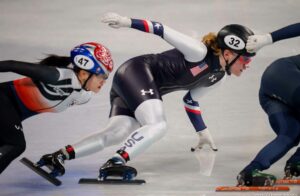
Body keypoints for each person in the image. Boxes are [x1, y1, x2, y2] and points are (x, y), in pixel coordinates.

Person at [39, 12, 255, 180]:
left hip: (135, 85)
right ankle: (116, 161)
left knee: (115, 133)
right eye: (245, 59)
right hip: (137, 72)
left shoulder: (218, 77)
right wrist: (126, 21)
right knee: (158, 124)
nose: (248, 65)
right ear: (228, 53)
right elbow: (161, 29)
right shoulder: (198, 52)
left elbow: (190, 100)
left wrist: (203, 133)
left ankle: (59, 156)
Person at [0, 42, 113, 175]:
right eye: (101, 75)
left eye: (106, 76)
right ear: (83, 74)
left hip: (12, 113)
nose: (104, 81)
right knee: (16, 145)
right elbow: (11, 64)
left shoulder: (83, 96)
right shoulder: (56, 76)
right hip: (3, 99)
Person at [237, 23, 300, 186]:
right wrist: (268, 38)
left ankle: (250, 173)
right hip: (286, 74)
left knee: (291, 133)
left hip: (271, 90)